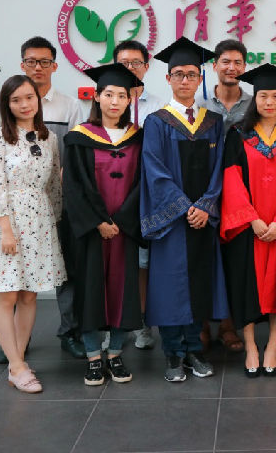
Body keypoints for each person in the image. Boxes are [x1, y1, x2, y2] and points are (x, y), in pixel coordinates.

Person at [140, 37, 229, 383]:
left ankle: (194, 349)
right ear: (168, 79)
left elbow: (220, 170)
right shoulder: (157, 122)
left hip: (203, 220)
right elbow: (154, 169)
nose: (185, 80)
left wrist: (206, 205)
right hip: (173, 221)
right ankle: (173, 353)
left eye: (191, 74)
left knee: (198, 284)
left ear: (200, 78)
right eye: (178, 74)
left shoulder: (213, 122)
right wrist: (184, 207)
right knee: (171, 286)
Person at [0, 75, 66, 393]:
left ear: (37, 100)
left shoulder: (49, 138)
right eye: (16, 100)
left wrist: (54, 222)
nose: (24, 104)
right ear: (7, 105)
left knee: (29, 294)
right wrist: (5, 230)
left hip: (39, 221)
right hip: (7, 221)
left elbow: (53, 185)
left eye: (29, 97)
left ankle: (19, 358)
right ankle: (15, 366)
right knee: (7, 293)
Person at [220, 64, 276, 377]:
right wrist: (251, 219)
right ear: (254, 99)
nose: (269, 102)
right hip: (249, 227)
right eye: (263, 96)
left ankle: (271, 345)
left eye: (275, 96)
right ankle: (251, 346)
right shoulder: (237, 135)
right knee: (246, 285)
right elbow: (231, 179)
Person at [62, 64, 147, 386]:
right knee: (90, 291)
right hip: (92, 231)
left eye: (121, 96)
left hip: (124, 230)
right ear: (97, 97)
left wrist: (122, 220)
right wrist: (98, 221)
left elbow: (143, 183)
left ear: (129, 100)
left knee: (122, 292)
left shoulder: (138, 138)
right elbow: (73, 186)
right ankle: (93, 357)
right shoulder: (79, 138)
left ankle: (115, 353)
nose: (115, 101)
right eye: (109, 94)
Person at [18, 36, 86, 360]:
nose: (38, 67)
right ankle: (18, 339)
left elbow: (77, 153)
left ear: (54, 66)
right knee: (20, 271)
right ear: (23, 65)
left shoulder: (69, 106)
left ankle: (69, 331)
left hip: (60, 202)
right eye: (32, 61)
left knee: (66, 268)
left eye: (44, 62)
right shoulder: (11, 104)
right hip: (21, 205)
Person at [200, 38, 252, 354]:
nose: (231, 68)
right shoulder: (200, 105)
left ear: (244, 67)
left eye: (237, 62)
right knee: (206, 259)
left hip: (242, 192)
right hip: (205, 191)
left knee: (234, 260)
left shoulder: (254, 105)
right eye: (225, 62)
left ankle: (229, 326)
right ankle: (203, 325)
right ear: (215, 65)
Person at [114, 39, 164, 351]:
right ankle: (114, 324)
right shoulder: (104, 105)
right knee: (114, 262)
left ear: (146, 67)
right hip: (112, 193)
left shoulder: (159, 107)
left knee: (142, 264)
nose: (130, 68)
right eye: (123, 63)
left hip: (146, 194)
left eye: (136, 63)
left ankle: (143, 323)